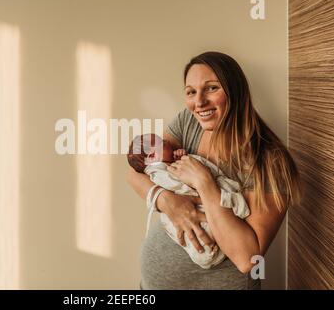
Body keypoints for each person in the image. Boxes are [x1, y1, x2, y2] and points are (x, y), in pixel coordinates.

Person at [126, 51, 301, 290]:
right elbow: (136, 171)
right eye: (191, 92)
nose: (199, 103)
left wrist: (205, 185)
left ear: (235, 90)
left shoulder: (270, 161)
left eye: (211, 88)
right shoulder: (189, 123)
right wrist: (169, 203)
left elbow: (247, 259)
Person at [127, 133, 250, 270]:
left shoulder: (166, 166)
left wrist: (180, 161)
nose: (168, 141)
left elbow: (247, 260)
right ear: (152, 157)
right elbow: (132, 174)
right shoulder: (159, 174)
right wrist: (165, 199)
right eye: (162, 142)